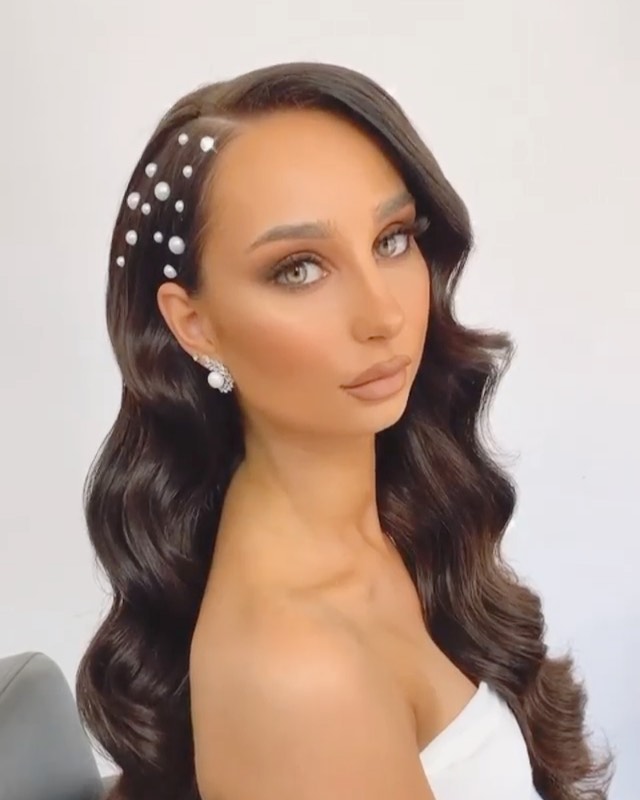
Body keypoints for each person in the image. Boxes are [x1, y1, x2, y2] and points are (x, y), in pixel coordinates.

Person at [76, 61, 612, 800]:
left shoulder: (398, 519)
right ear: (193, 324)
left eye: (391, 240)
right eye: (299, 269)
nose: (383, 315)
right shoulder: (297, 671)